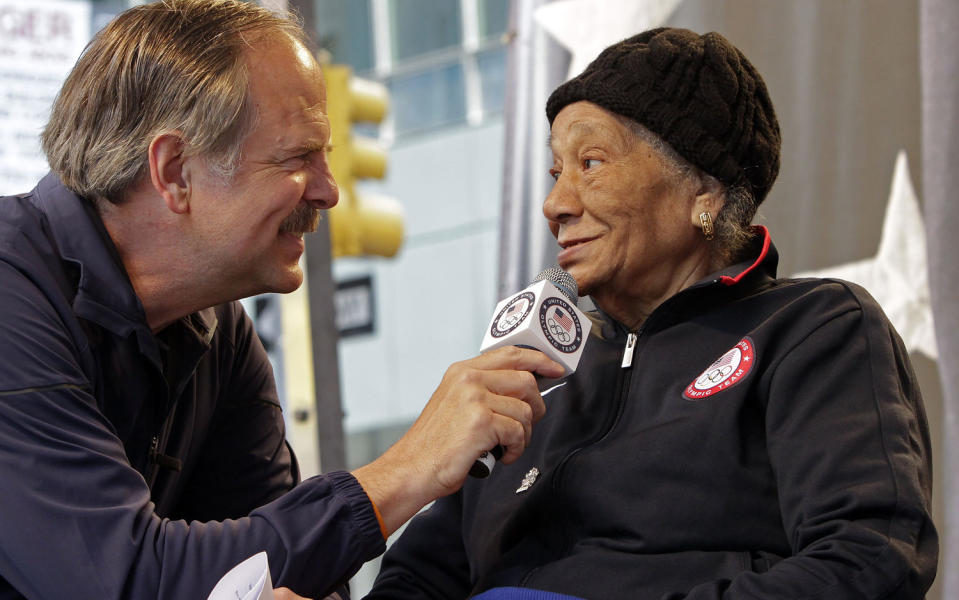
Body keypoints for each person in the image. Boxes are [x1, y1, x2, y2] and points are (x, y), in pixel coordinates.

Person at [0, 1, 564, 599]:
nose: (329, 191)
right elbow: (131, 581)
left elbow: (294, 569)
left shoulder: (216, 327)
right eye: (298, 158)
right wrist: (407, 468)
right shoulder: (13, 298)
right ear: (174, 172)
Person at [365, 27, 938, 600]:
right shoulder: (530, 369)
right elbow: (418, 578)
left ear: (705, 193)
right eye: (555, 172)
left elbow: (866, 560)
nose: (555, 204)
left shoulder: (814, 328)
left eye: (590, 162)